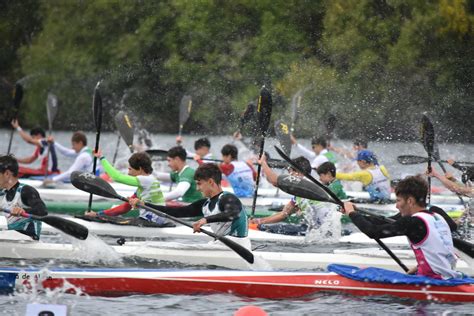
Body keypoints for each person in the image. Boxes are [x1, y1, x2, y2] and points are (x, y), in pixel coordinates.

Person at [342, 175, 462, 279]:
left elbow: (373, 232)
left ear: (410, 201)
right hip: (450, 277)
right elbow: (439, 245)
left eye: (398, 200)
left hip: (433, 281)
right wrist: (356, 213)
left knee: (367, 273)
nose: (396, 206)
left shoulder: (413, 222)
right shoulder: (437, 214)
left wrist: (352, 214)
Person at [131, 163, 248, 240]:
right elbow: (177, 212)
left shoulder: (228, 198)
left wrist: (205, 220)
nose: (197, 188)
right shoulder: (205, 204)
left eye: (199, 184)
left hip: (238, 244)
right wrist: (144, 205)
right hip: (222, 245)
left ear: (211, 182)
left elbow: (233, 214)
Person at [250, 156, 344, 238]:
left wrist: (263, 163)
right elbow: (283, 214)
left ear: (299, 173)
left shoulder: (306, 184)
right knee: (271, 226)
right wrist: (259, 221)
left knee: (273, 228)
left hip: (326, 232)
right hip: (322, 230)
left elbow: (275, 181)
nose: (289, 176)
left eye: (291, 172)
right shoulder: (301, 191)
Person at [85, 151, 174, 227]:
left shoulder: (146, 179)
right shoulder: (146, 184)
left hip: (151, 222)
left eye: (130, 167)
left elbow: (116, 177)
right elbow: (125, 207)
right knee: (112, 219)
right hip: (153, 221)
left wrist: (102, 158)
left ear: (140, 169)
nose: (128, 169)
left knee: (114, 221)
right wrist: (99, 214)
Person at [0, 155, 47, 240]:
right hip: (9, 237)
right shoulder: (2, 193)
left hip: (28, 239)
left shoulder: (26, 191)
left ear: (7, 174)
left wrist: (23, 211)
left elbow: (42, 210)